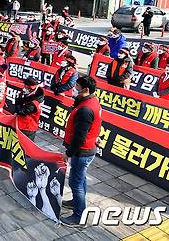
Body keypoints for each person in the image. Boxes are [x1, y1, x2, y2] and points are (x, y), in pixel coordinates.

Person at [60, 76, 102, 227]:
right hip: (87, 149)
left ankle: (79, 217)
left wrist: (68, 153)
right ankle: (75, 203)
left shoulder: (85, 109)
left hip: (82, 152)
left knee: (75, 183)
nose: (74, 89)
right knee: (81, 179)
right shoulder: (91, 101)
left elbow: (79, 138)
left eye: (77, 87)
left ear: (86, 90)